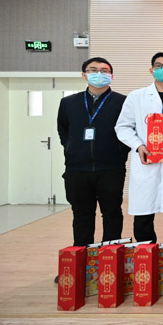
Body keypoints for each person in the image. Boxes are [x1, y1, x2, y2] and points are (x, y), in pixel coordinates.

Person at [115, 52, 163, 243]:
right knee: (144, 214)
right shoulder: (136, 97)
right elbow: (122, 127)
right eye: (159, 66)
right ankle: (147, 254)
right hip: (146, 162)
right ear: (151, 70)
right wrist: (138, 146)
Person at [57, 57, 130, 247]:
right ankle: (81, 257)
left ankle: (110, 258)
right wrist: (70, 147)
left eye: (104, 71)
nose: (99, 74)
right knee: (82, 214)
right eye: (93, 70)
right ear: (84, 75)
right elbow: (63, 129)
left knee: (112, 213)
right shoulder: (68, 102)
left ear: (111, 76)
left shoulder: (124, 102)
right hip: (77, 169)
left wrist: (119, 152)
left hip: (111, 168)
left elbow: (130, 130)